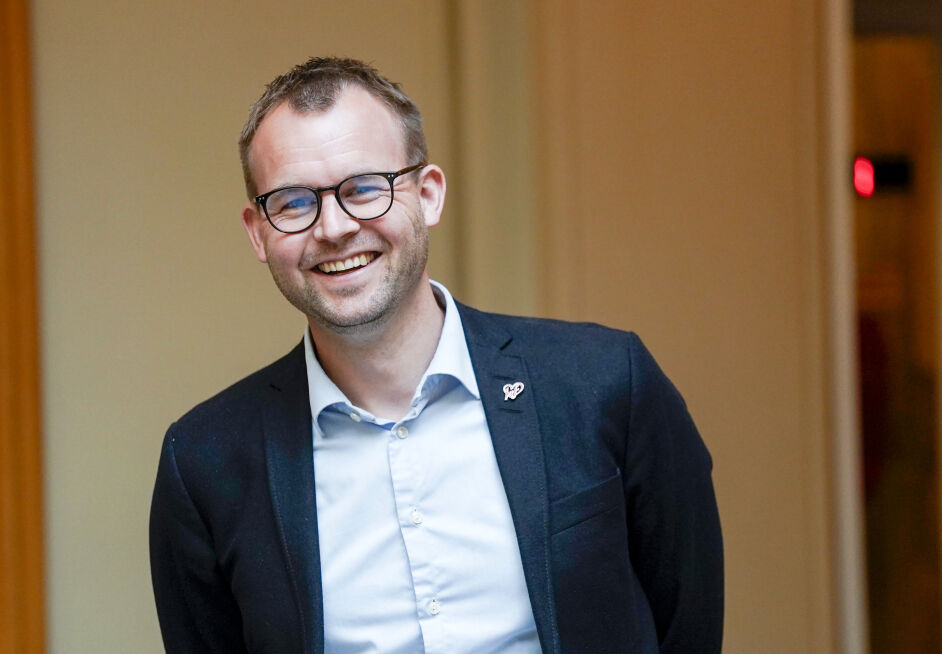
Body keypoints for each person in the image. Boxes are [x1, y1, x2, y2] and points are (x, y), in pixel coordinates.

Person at [149, 56, 723, 654]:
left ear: (427, 196)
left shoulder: (604, 383)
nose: (334, 227)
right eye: (294, 203)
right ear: (257, 232)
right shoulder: (205, 463)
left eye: (364, 188)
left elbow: (688, 620)